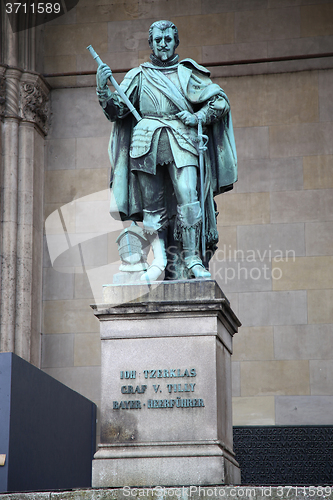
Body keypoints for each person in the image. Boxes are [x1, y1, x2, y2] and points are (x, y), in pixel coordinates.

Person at [96, 20, 237, 281]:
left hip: (182, 139)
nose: (163, 44)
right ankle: (159, 261)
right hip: (145, 142)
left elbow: (220, 101)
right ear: (150, 43)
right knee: (152, 206)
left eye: (168, 39)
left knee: (188, 197)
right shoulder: (138, 75)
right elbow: (117, 110)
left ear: (176, 42)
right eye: (158, 40)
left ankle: (193, 259)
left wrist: (198, 117)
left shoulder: (189, 73)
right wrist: (103, 89)